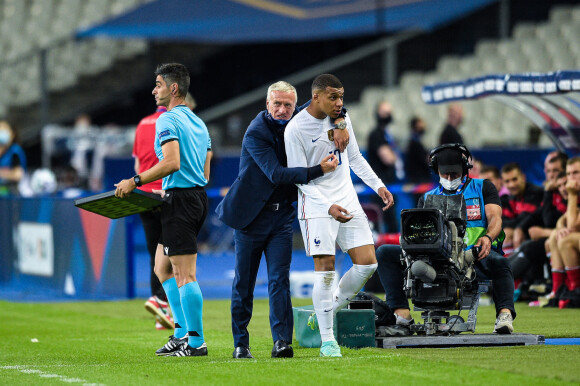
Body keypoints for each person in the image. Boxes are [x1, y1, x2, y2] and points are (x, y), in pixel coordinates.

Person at [216, 81, 346, 359]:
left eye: (288, 104)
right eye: (277, 104)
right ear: (267, 104)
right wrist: (318, 170)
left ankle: (282, 343)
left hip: (281, 216)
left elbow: (326, 105)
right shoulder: (256, 132)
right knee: (244, 283)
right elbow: (275, 174)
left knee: (279, 281)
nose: (283, 109)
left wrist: (341, 120)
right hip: (250, 217)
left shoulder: (297, 117)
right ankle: (241, 344)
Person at [285, 74, 394, 357]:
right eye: (333, 97)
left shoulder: (342, 120)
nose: (339, 103)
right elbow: (299, 178)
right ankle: (328, 340)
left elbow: (355, 157)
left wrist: (378, 185)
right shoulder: (295, 129)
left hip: (348, 199)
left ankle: (327, 309)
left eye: (342, 97)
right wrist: (327, 206)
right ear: (316, 96)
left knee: (368, 265)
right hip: (316, 205)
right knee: (325, 273)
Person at [115, 63, 211, 357]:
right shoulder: (198, 122)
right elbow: (204, 173)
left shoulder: (167, 121)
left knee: (185, 275)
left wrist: (135, 181)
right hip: (188, 197)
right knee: (161, 267)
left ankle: (196, 343)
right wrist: (170, 187)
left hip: (181, 202)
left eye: (158, 84)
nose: (154, 90)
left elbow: (171, 162)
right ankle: (181, 333)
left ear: (173, 88)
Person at [375, 143, 516, 334]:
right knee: (384, 253)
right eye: (445, 174)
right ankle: (402, 315)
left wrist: (488, 238)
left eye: (455, 174)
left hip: (474, 255)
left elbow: (495, 219)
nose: (450, 179)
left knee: (500, 263)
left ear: (465, 170)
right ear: (436, 171)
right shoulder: (427, 198)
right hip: (434, 258)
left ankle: (504, 315)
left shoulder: (483, 188)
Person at [545, 157, 580, 308]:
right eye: (569, 173)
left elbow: (572, 225)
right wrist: (560, 227)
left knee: (567, 239)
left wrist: (572, 194)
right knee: (555, 236)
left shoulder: (573, 193)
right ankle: (557, 290)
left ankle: (575, 289)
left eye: (576, 173)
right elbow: (564, 219)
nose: (570, 179)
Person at [366, 100, 402, 232]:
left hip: (390, 184)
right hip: (380, 187)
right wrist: (394, 155)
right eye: (384, 112)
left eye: (389, 112)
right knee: (382, 225)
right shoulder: (376, 134)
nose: (387, 115)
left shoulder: (387, 135)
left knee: (392, 222)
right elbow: (388, 158)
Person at [501, 162, 544, 251]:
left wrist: (519, 228)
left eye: (514, 179)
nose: (511, 185)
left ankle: (508, 264)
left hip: (538, 236)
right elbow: (503, 221)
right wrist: (518, 227)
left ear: (523, 177)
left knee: (507, 233)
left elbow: (528, 218)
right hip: (524, 235)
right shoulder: (511, 198)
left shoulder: (535, 192)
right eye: (507, 181)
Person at [0, 120, 27, 196]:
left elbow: (18, 175)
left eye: (4, 130)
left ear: (12, 134)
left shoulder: (15, 151)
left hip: (11, 195)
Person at [404, 116, 430, 184]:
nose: (422, 129)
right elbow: (427, 160)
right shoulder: (414, 144)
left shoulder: (418, 143)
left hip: (421, 178)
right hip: (418, 180)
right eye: (419, 127)